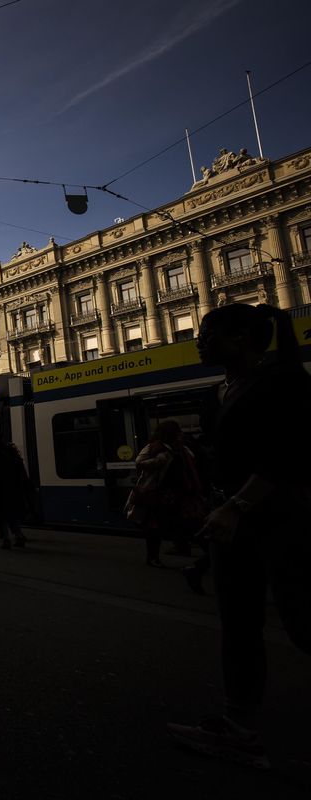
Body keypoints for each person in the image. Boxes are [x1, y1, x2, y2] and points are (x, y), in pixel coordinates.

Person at [167, 304, 311, 770]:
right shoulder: (220, 391)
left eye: (207, 334)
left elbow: (290, 455)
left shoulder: (280, 382)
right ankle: (238, 726)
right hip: (233, 520)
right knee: (240, 625)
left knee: (302, 618)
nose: (198, 341)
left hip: (279, 518)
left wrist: (238, 504)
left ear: (242, 338)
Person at [123, 421, 204, 568]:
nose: (181, 434)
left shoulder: (182, 448)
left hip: (178, 492)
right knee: (156, 525)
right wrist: (159, 460)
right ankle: (154, 556)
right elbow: (139, 462)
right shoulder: (155, 447)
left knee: (185, 521)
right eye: (178, 432)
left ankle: (182, 546)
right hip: (158, 493)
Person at [0, 438, 30, 549]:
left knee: (2, 517)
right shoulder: (13, 455)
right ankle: (19, 536)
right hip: (14, 491)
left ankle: (6, 539)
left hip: (0, 492)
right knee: (13, 516)